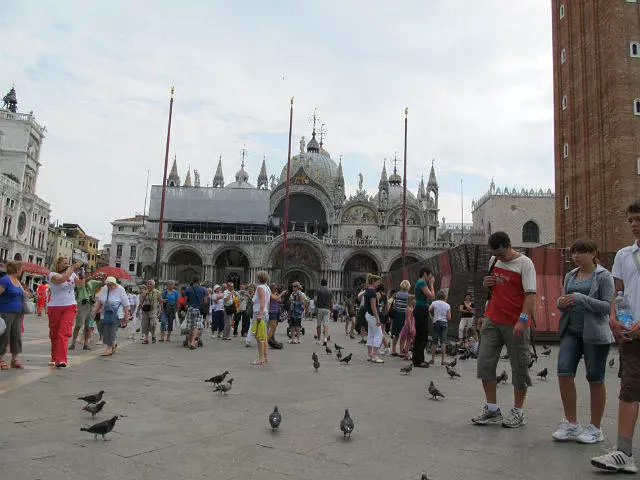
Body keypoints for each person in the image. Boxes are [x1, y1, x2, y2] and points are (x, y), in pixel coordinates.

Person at [591, 201, 640, 473]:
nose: (633, 224)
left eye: (638, 219)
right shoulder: (623, 255)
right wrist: (612, 316)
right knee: (629, 388)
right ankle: (623, 453)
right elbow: (618, 292)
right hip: (631, 333)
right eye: (631, 219)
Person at [471, 231, 536, 429]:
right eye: (495, 254)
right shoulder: (494, 260)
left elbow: (531, 295)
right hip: (492, 319)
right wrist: (486, 283)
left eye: (501, 254)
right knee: (484, 362)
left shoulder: (525, 264)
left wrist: (522, 320)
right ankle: (492, 410)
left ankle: (518, 412)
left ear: (509, 246)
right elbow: (490, 287)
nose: (498, 258)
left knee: (519, 366)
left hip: (515, 322)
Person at [551, 238, 614, 444]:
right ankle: (571, 423)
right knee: (563, 371)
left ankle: (595, 428)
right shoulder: (570, 274)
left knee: (595, 378)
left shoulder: (604, 276)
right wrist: (561, 302)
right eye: (573, 253)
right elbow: (565, 302)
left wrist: (581, 298)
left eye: (581, 252)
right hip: (571, 330)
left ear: (593, 253)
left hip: (594, 334)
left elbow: (606, 307)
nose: (576, 256)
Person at [47, 256, 85, 368]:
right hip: (54, 306)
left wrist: (82, 273)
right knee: (54, 333)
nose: (66, 265)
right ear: (57, 264)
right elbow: (61, 280)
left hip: (69, 305)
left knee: (63, 332)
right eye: (63, 263)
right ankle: (54, 356)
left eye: (67, 263)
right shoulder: (52, 275)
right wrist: (72, 268)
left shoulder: (72, 274)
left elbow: (80, 285)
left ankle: (62, 359)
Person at [0, 261, 28, 370]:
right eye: (21, 269)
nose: (22, 271)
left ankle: (14, 359)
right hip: (6, 311)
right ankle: (1, 358)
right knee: (4, 336)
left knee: (16, 336)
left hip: (18, 312)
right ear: (17, 269)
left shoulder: (17, 281)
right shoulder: (5, 280)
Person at [92, 277, 130, 356]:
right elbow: (100, 300)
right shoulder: (105, 288)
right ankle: (113, 343)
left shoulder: (120, 289)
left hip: (116, 313)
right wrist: (95, 310)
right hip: (105, 312)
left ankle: (109, 348)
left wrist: (126, 316)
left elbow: (126, 304)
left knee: (111, 330)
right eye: (107, 285)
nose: (109, 286)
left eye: (110, 285)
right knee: (104, 329)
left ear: (114, 284)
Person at [70, 273, 105, 350]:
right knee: (78, 325)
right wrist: (93, 276)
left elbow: (103, 284)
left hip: (90, 304)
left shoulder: (93, 281)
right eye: (87, 272)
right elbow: (84, 282)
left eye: (89, 272)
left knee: (88, 326)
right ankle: (73, 343)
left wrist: (103, 277)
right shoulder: (80, 280)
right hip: (82, 304)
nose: (88, 273)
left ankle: (86, 343)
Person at [412, 267, 436, 368]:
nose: (430, 276)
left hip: (421, 309)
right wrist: (431, 284)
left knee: (422, 335)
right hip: (421, 309)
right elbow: (432, 296)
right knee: (421, 335)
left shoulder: (419, 283)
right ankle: (418, 361)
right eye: (429, 274)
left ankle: (419, 359)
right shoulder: (422, 283)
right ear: (425, 274)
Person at [251, 271, 271, 364]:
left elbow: (263, 301)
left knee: (259, 336)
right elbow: (268, 302)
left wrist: (260, 314)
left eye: (257, 277)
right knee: (264, 336)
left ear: (259, 278)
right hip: (265, 312)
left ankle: (261, 358)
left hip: (259, 313)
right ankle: (265, 357)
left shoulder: (259, 287)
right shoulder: (267, 287)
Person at [183, 276, 208, 350]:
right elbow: (205, 301)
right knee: (196, 326)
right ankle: (193, 342)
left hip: (190, 309)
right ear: (199, 281)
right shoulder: (203, 289)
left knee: (190, 326)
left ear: (192, 281)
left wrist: (186, 306)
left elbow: (185, 301)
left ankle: (190, 341)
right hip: (199, 309)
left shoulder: (188, 289)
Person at [364, 274, 384, 363]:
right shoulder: (372, 292)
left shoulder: (367, 290)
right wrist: (378, 319)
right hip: (372, 316)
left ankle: (369, 355)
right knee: (378, 335)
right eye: (378, 282)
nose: (378, 284)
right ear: (374, 282)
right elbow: (373, 307)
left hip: (368, 314)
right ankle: (375, 356)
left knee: (371, 334)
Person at [429, 289, 452, 365]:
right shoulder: (447, 305)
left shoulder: (434, 303)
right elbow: (449, 317)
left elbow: (428, 309)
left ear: (437, 296)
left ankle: (432, 359)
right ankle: (443, 360)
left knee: (434, 341)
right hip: (444, 323)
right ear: (444, 297)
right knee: (443, 342)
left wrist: (432, 317)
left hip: (436, 323)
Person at [138, 279, 162, 344]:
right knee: (145, 324)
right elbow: (141, 302)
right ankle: (146, 338)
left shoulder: (157, 292)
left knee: (153, 324)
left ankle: (153, 335)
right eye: (148, 284)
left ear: (154, 285)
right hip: (145, 310)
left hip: (154, 310)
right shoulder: (144, 293)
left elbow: (160, 301)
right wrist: (138, 310)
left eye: (150, 284)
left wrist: (161, 309)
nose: (149, 285)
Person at [391, 281, 410, 356]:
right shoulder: (408, 296)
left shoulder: (397, 294)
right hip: (404, 315)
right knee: (403, 333)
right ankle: (401, 352)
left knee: (396, 333)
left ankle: (393, 350)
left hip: (397, 314)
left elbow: (395, 304)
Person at [315, 278, 332, 345]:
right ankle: (325, 338)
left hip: (320, 308)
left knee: (319, 324)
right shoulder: (329, 291)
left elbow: (315, 300)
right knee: (326, 325)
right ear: (327, 283)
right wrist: (332, 310)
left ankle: (319, 340)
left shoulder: (318, 290)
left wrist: (317, 305)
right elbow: (331, 302)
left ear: (321, 283)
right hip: (327, 309)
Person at [399, 295, 416, 359]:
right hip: (409, 325)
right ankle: (405, 353)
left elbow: (409, 318)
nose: (415, 301)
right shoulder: (410, 308)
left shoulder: (410, 308)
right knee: (406, 339)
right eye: (414, 299)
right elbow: (409, 318)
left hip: (408, 325)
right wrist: (411, 327)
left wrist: (411, 326)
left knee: (405, 339)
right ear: (411, 300)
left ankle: (404, 352)